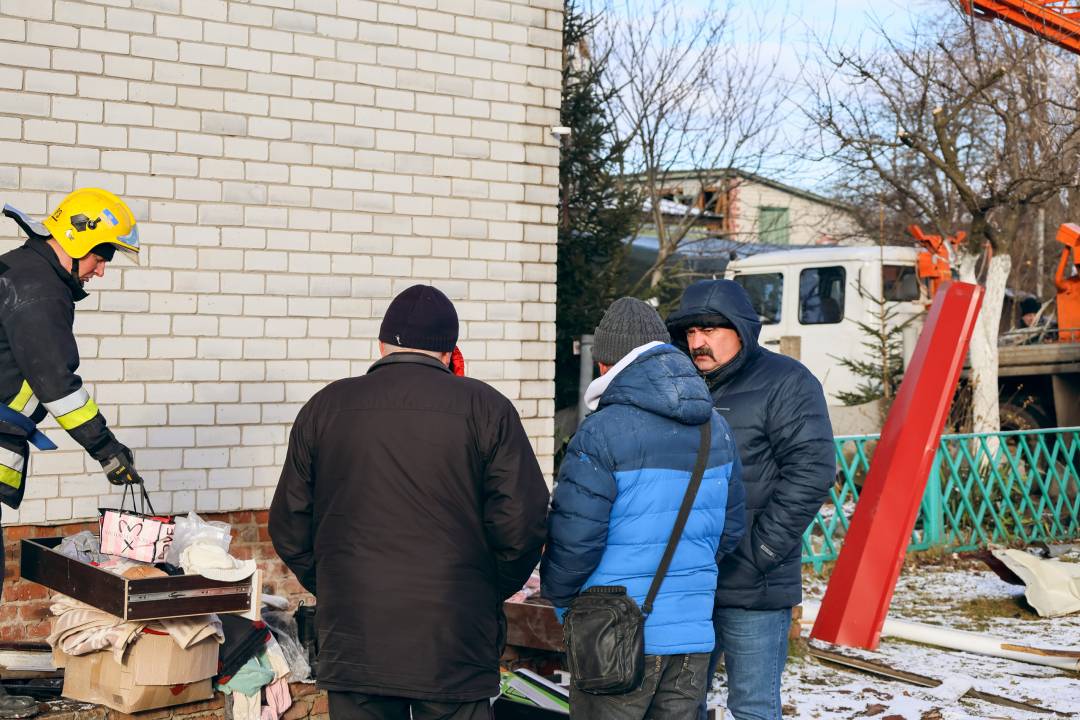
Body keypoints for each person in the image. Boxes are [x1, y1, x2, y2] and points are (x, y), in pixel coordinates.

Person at [269, 284, 550, 720]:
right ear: (448, 352)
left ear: (381, 345)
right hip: (454, 636)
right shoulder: (487, 408)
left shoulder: (325, 407)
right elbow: (524, 523)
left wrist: (337, 583)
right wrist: (484, 590)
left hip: (356, 636)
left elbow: (289, 525)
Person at [541, 297, 745, 720]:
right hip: (692, 637)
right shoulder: (716, 428)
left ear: (606, 365)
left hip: (612, 635)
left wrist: (563, 603)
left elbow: (574, 541)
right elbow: (730, 530)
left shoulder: (601, 431)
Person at [666, 280, 835, 720]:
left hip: (753, 584)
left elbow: (812, 471)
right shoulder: (676, 385)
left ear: (741, 329)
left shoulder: (786, 382)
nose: (698, 343)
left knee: (754, 707)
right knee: (681, 705)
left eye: (710, 330)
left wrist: (761, 551)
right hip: (686, 583)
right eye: (690, 332)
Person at [0, 189, 144, 520]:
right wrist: (107, 451)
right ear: (79, 241)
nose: (102, 270)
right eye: (102, 255)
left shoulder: (20, 269)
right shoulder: (39, 290)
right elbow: (58, 385)